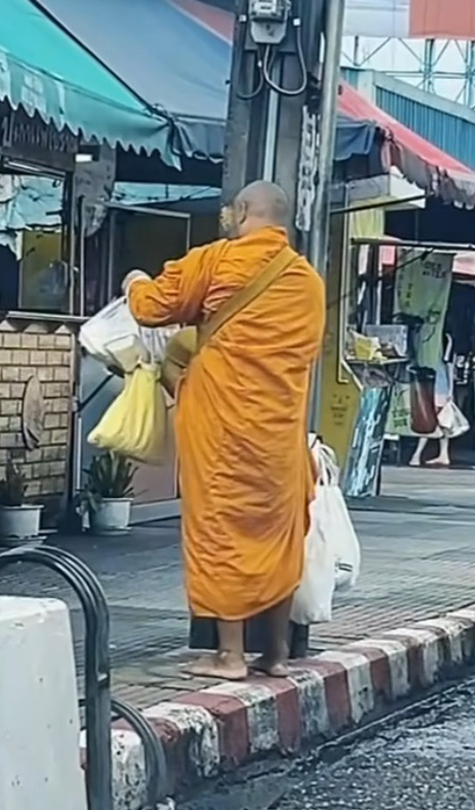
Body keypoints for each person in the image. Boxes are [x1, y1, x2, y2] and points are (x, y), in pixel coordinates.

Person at [126, 181, 326, 681]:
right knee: (279, 539)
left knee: (221, 529)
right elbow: (301, 354)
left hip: (222, 425)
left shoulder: (217, 261)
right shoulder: (308, 283)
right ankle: (276, 654)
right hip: (280, 432)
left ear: (241, 212)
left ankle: (229, 656)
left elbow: (152, 307)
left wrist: (132, 283)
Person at [410, 332, 455, 468]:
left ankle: (417, 455)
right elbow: (450, 365)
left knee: (430, 420)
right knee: (440, 421)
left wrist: (450, 389)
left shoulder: (443, 339)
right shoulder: (442, 339)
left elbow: (449, 365)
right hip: (439, 384)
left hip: (438, 384)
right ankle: (443, 454)